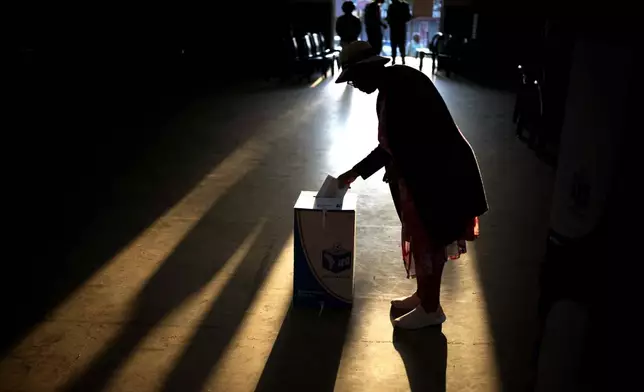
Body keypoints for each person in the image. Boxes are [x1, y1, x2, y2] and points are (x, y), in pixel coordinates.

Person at [335, 41, 488, 329]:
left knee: (430, 241)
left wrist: (356, 172)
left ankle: (431, 309)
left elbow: (396, 147)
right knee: (425, 241)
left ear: (368, 68)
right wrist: (355, 173)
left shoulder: (401, 89)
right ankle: (424, 296)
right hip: (430, 173)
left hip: (439, 176)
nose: (354, 85)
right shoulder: (394, 83)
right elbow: (394, 146)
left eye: (354, 78)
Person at [386, 0, 412, 64]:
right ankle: (402, 59)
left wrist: (390, 22)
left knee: (394, 44)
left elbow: (388, 18)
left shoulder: (391, 6)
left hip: (394, 28)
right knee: (401, 44)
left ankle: (394, 59)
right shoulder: (404, 5)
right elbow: (408, 17)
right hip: (401, 28)